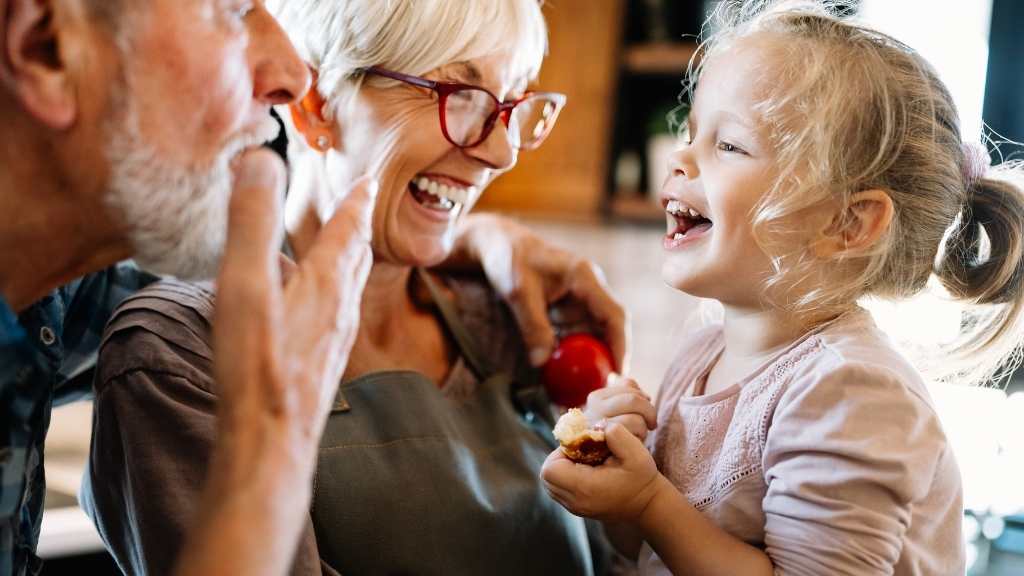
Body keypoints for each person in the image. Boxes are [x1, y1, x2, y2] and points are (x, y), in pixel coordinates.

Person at [0, 1, 626, 575]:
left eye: (512, 106)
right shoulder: (179, 343)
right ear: (320, 107)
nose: (503, 155)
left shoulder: (505, 316)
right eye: (459, 95)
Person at [542, 1, 1024, 574]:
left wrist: (649, 501)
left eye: (729, 146)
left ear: (847, 225)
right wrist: (618, 489)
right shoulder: (704, 351)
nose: (679, 156)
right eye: (692, 133)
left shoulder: (852, 391)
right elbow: (648, 554)